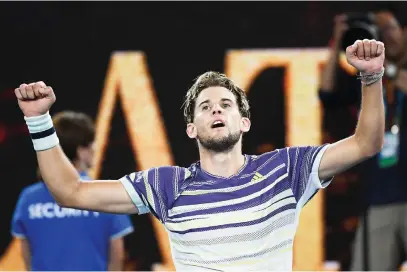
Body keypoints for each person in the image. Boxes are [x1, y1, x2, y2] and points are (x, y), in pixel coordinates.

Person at [14, 39, 385, 271]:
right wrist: (38, 121)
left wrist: (370, 78)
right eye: (205, 107)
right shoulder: (166, 185)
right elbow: (70, 192)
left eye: (225, 105)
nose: (216, 111)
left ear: (245, 123)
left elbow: (365, 143)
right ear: (192, 129)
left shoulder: (287, 170)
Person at [319, 11, 407, 271]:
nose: (384, 37)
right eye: (377, 31)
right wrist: (337, 44)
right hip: (379, 198)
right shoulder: (370, 80)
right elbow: (327, 92)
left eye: (389, 29)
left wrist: (382, 67)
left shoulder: (387, 74)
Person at [10, 111, 134, 271]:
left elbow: (27, 259)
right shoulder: (106, 195)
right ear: (81, 151)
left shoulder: (28, 199)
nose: (95, 149)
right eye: (92, 143)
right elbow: (117, 257)